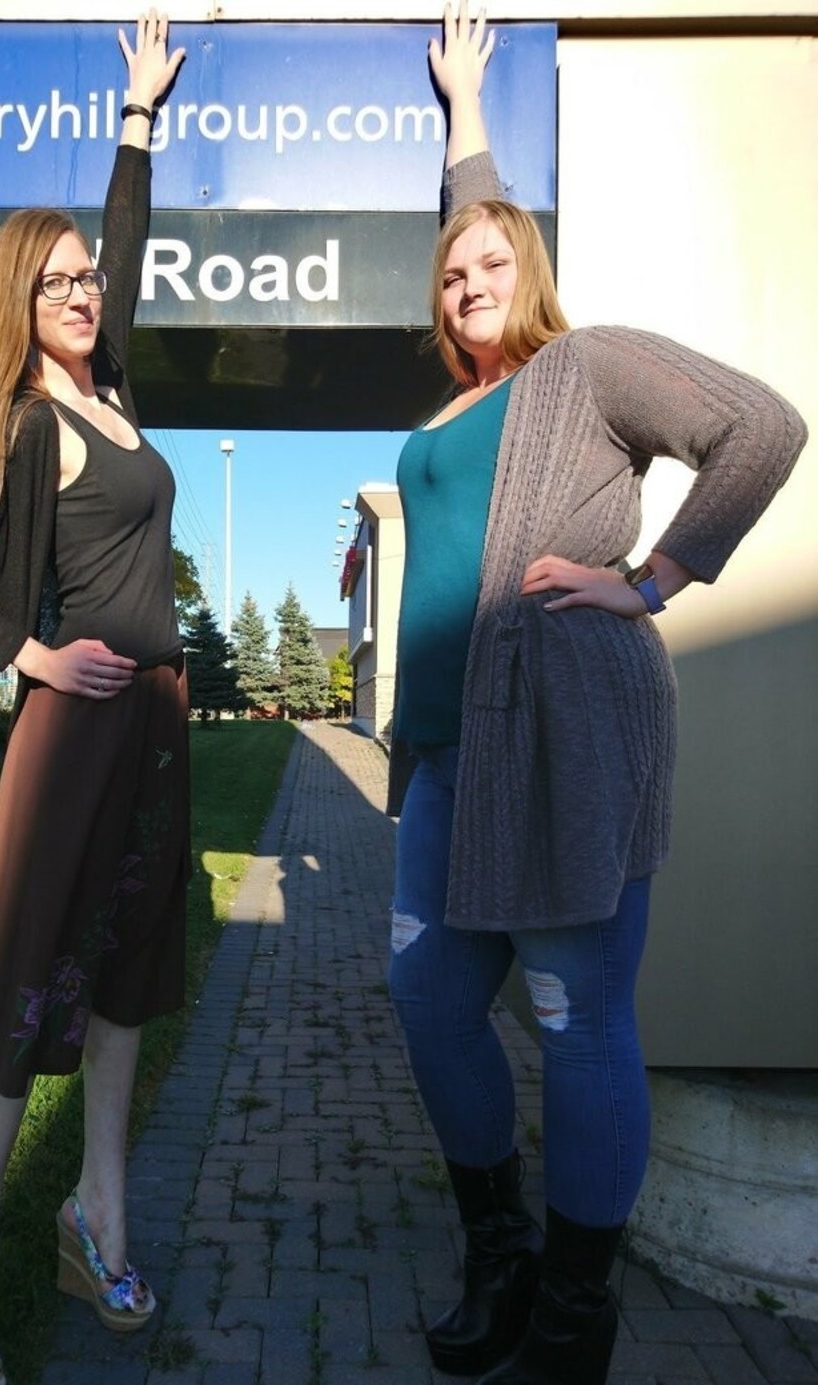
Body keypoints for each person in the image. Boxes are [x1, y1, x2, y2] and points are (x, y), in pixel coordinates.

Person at [386, 6, 807, 1384]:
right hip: (443, 758)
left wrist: (658, 575)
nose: (469, 282)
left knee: (577, 1022)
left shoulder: (581, 367)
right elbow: (475, 222)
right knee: (430, 998)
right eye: (453, 272)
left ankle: (574, 1318)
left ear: (536, 270)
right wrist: (464, 112)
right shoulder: (458, 400)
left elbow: (762, 427)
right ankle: (500, 1249)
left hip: (562, 744)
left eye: (495, 263)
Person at [0, 13, 187, 1381]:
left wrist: (137, 122)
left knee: (124, 982)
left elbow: (124, 243)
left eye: (86, 277)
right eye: (55, 280)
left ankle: (95, 1217)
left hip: (157, 731)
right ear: (20, 299)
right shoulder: (24, 420)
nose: (81, 291)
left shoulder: (111, 388)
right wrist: (30, 654)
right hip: (74, 735)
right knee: (19, 1002)